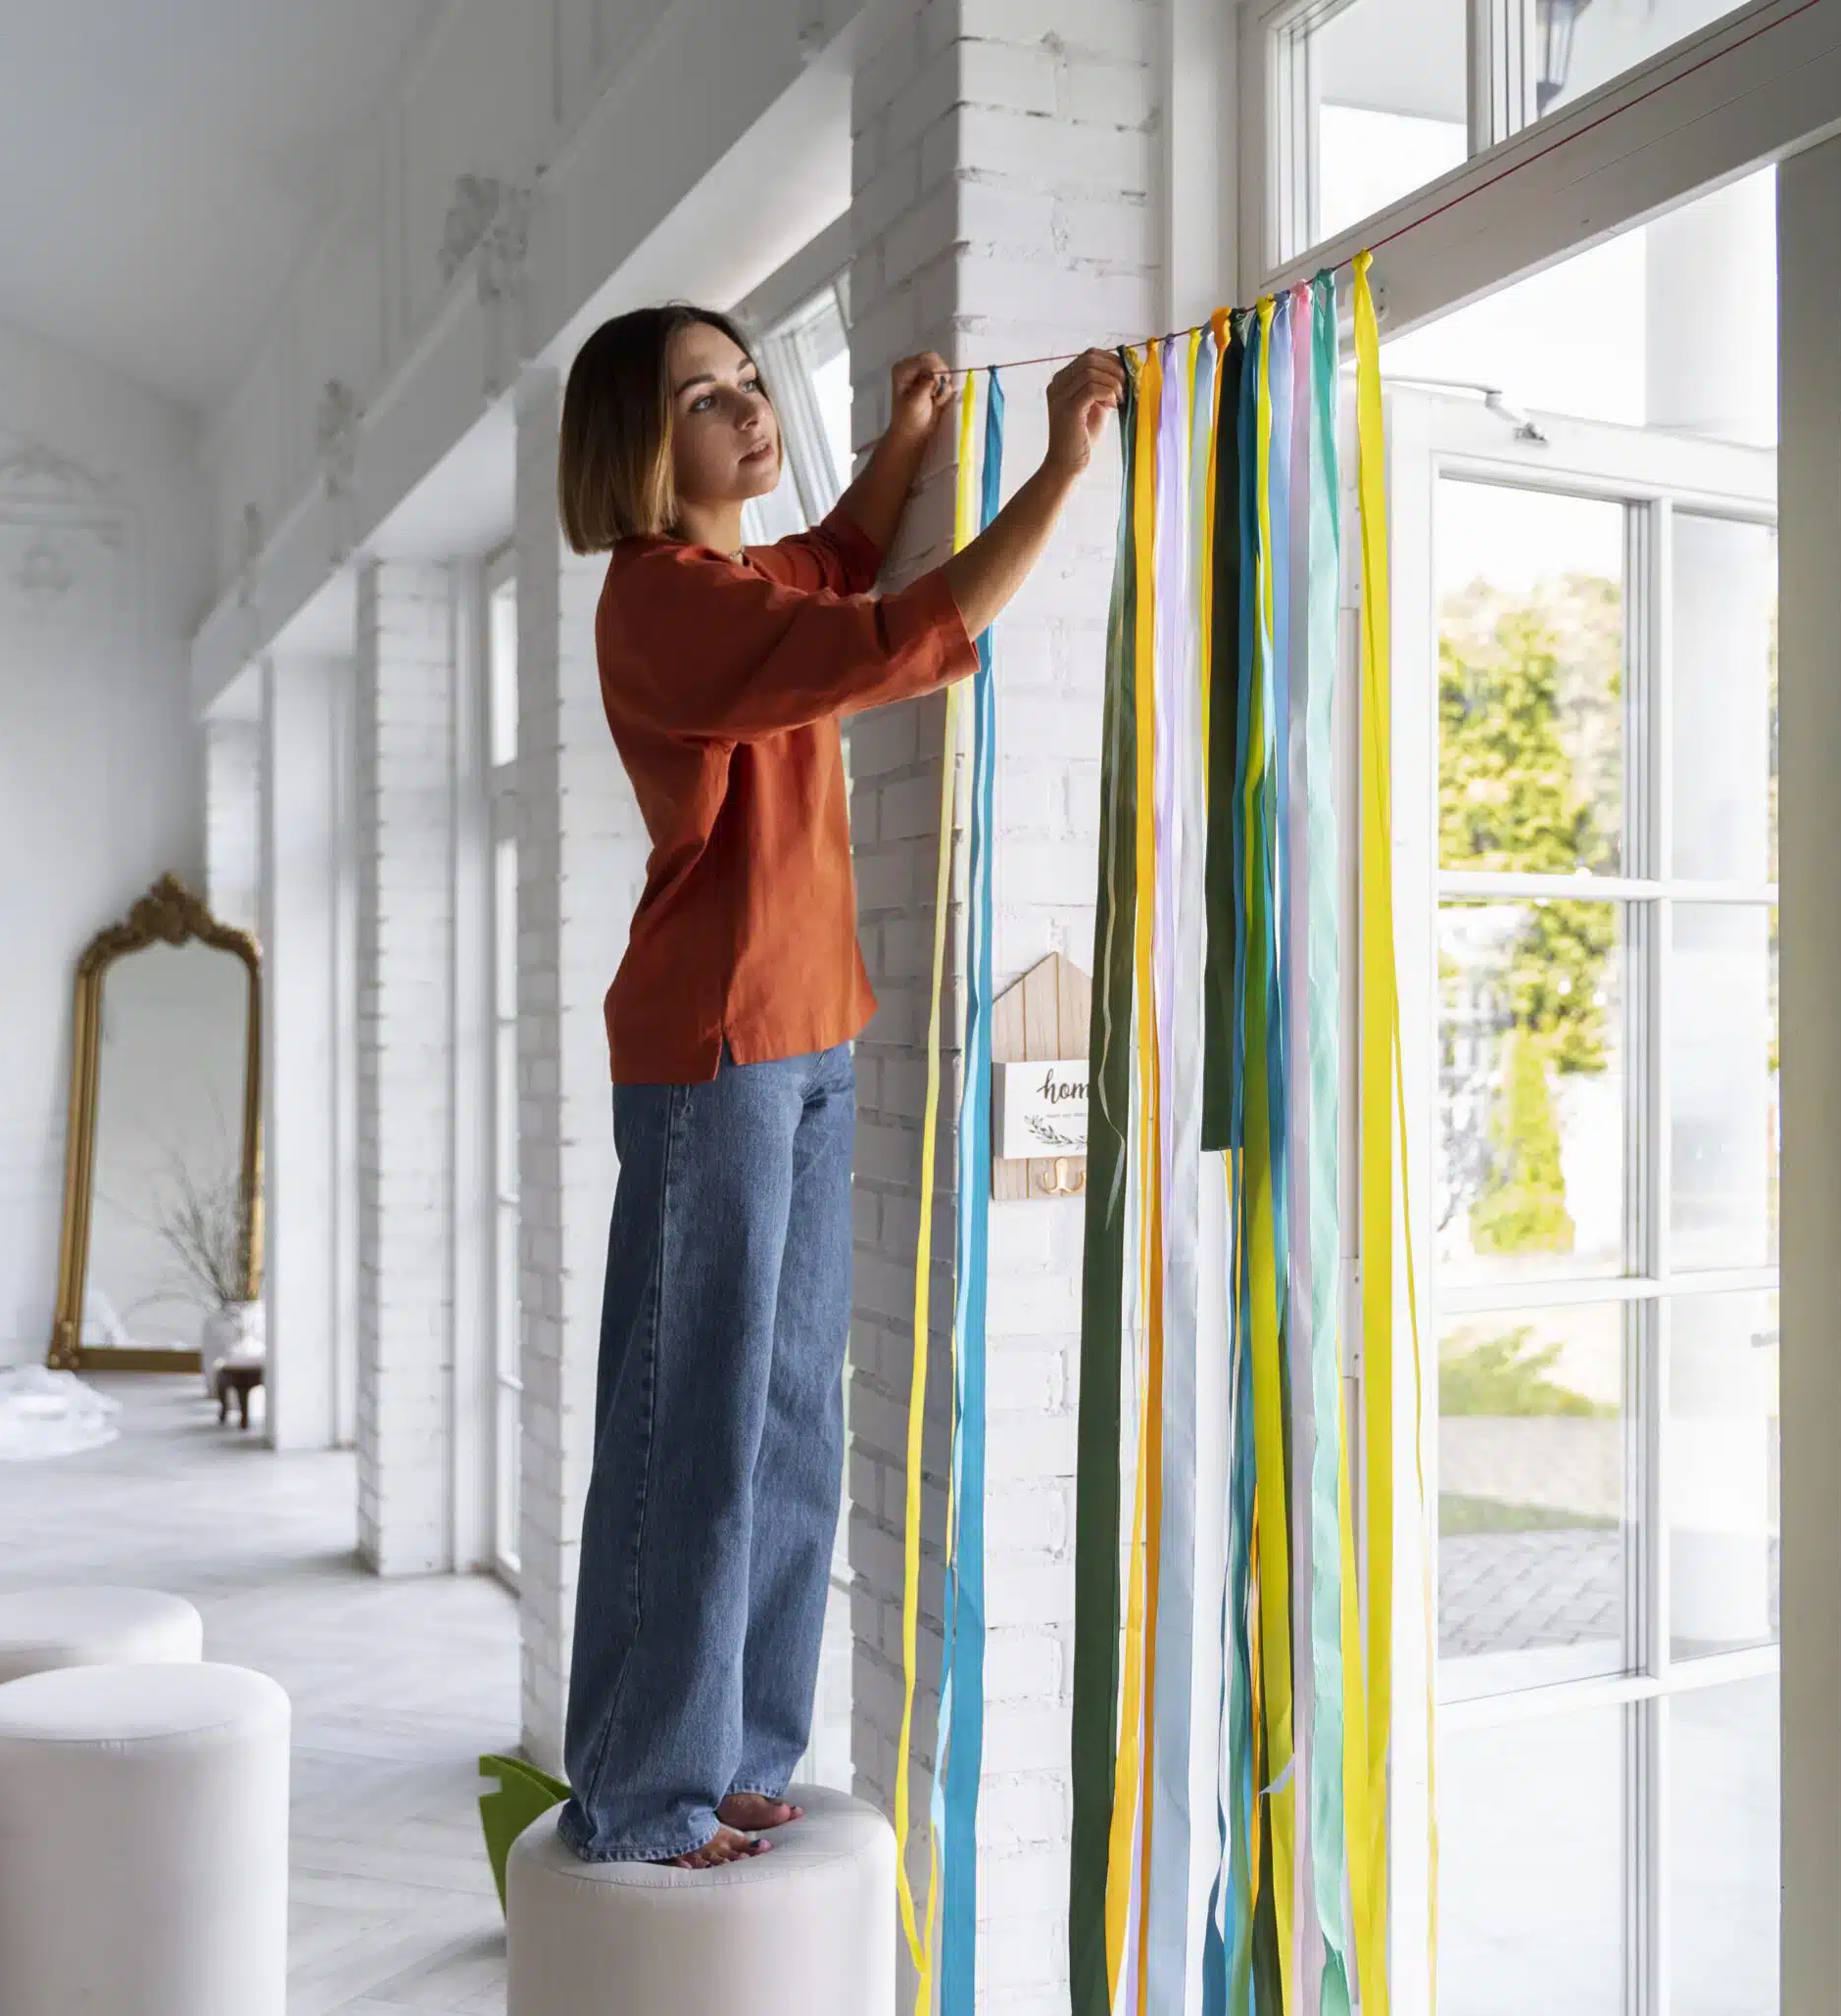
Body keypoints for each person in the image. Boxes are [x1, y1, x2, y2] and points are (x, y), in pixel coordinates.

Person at [554, 302, 1124, 1869]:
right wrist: (1062, 469)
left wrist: (904, 448)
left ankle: (736, 1751)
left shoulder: (740, 577)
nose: (746, 405)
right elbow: (883, 637)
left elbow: (837, 563)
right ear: (637, 444)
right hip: (715, 1051)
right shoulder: (662, 602)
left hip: (807, 1036)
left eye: (749, 378)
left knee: (794, 1413)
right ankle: (639, 1787)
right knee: (695, 1422)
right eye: (706, 395)